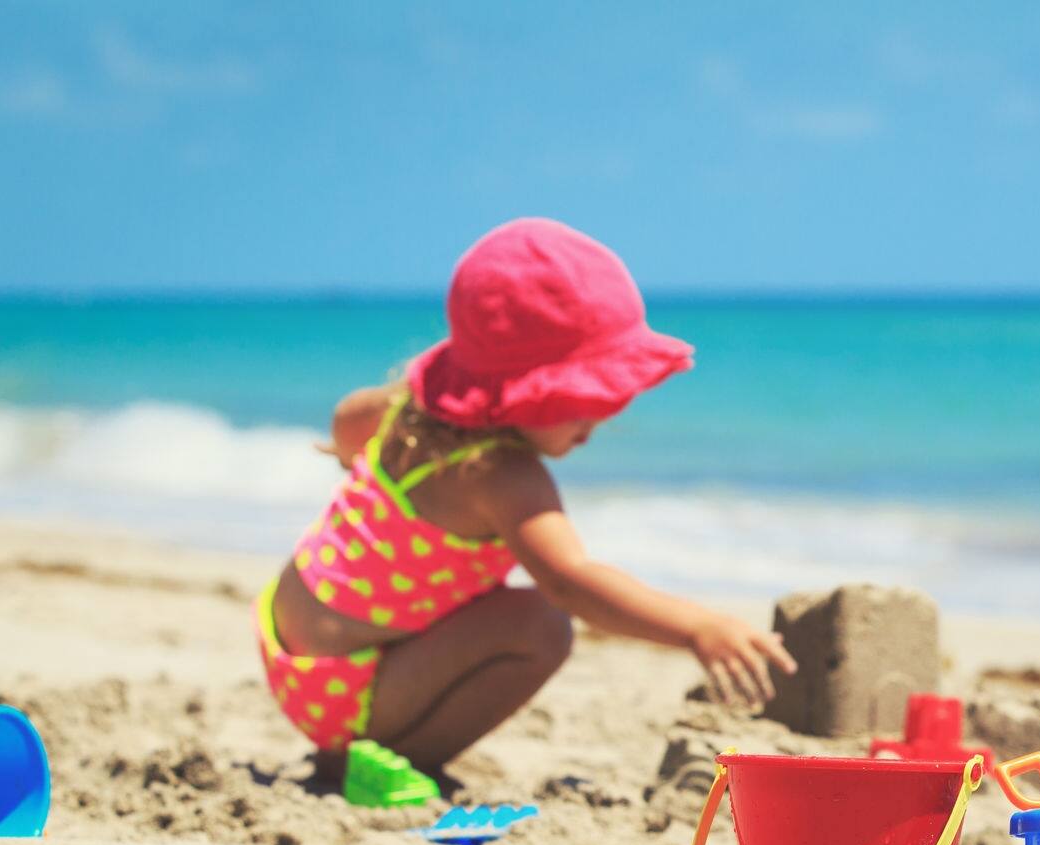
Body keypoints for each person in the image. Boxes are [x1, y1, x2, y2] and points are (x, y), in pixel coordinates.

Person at [254, 217, 796, 784]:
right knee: (542, 626)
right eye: (585, 401)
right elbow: (571, 582)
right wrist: (696, 628)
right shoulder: (503, 477)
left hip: (288, 654)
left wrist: (353, 463)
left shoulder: (401, 410)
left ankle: (355, 742)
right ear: (526, 392)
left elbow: (346, 420)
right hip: (353, 697)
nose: (601, 420)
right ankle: (390, 762)